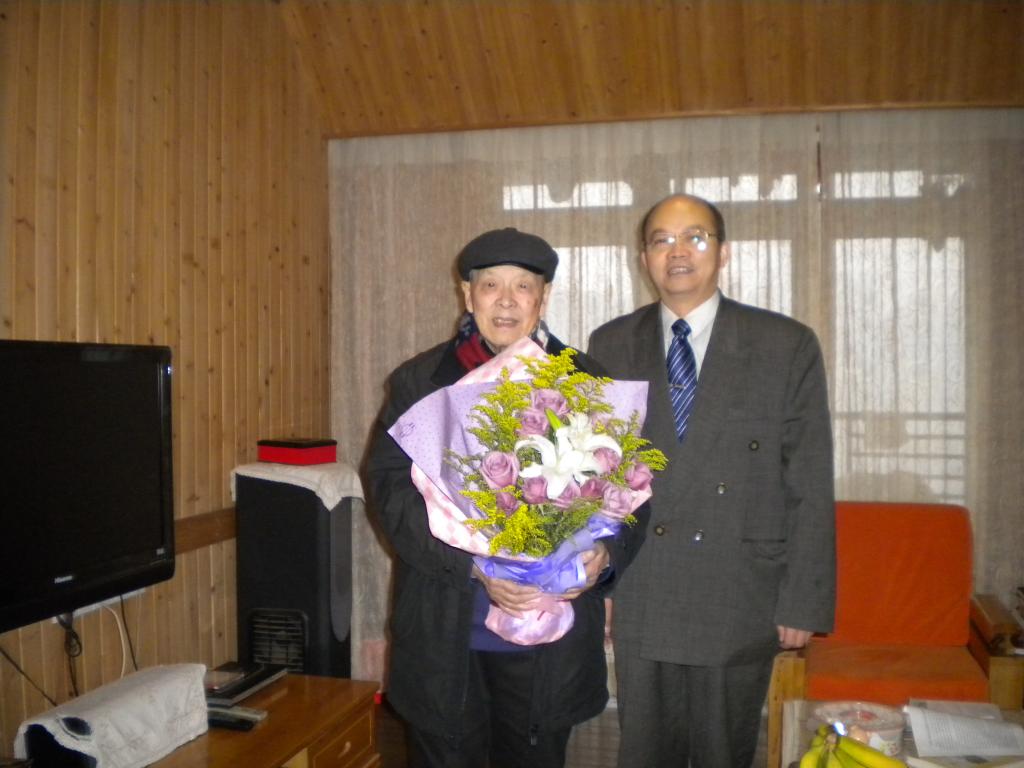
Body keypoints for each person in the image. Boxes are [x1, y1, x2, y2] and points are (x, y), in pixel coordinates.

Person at [364, 227, 650, 768]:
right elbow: (390, 495)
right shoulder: (421, 382)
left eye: (523, 286)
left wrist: (604, 556)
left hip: (552, 641)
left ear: (543, 298)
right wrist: (472, 565)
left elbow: (633, 494)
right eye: (491, 285)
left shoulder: (584, 380)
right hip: (447, 632)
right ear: (467, 295)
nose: (506, 300)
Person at [587, 194, 835, 767]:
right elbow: (600, 477)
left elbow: (809, 481)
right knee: (644, 751)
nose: (677, 251)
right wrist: (602, 584)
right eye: (661, 240)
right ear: (643, 258)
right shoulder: (610, 343)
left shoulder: (784, 344)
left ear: (723, 252)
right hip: (644, 584)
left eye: (695, 237)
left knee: (723, 751)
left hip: (739, 586)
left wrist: (802, 601)